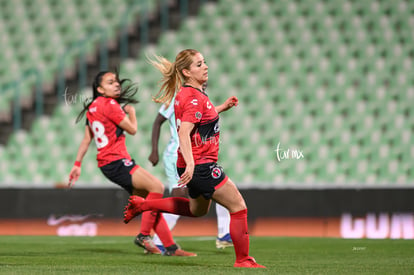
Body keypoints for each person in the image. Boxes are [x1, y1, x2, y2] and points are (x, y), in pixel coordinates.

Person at [124, 49, 265, 268]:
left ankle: (144, 205)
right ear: (186, 72)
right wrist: (191, 163)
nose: (205, 66)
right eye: (199, 64)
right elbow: (184, 132)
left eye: (204, 62)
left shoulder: (192, 94)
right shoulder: (192, 97)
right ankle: (243, 260)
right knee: (238, 206)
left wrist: (222, 108)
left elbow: (201, 117)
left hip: (194, 165)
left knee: (195, 210)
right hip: (201, 165)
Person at [67, 70, 196, 257]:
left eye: (117, 81)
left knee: (150, 203)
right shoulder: (110, 105)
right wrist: (131, 112)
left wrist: (77, 164)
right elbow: (133, 129)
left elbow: (87, 139)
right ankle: (144, 236)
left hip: (106, 164)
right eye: (111, 82)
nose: (117, 84)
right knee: (157, 187)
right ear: (100, 89)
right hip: (117, 160)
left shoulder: (92, 107)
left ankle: (170, 248)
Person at [148, 82, 233, 252]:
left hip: (196, 156)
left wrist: (222, 107)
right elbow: (158, 122)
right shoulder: (178, 99)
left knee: (221, 189)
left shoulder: (201, 99)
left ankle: (224, 234)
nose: (205, 80)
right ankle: (156, 237)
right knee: (181, 199)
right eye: (199, 66)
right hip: (176, 156)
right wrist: (154, 150)